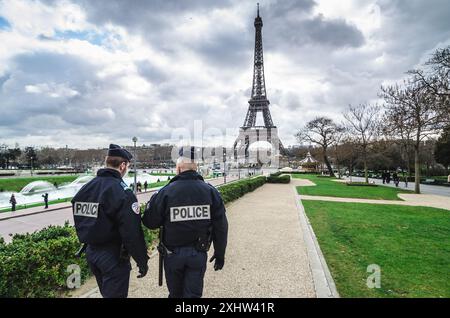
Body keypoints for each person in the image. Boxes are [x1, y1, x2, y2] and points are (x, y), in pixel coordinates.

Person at [143, 146, 228, 298]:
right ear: (196, 167)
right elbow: (220, 226)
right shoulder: (210, 191)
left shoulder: (165, 192)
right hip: (198, 252)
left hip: (172, 253)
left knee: (175, 294)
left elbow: (150, 222)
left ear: (178, 167)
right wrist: (220, 252)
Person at [71, 144, 149, 298]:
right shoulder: (123, 192)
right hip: (113, 256)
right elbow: (131, 233)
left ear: (107, 162)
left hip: (91, 252)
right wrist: (141, 260)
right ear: (123, 165)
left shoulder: (86, 188)